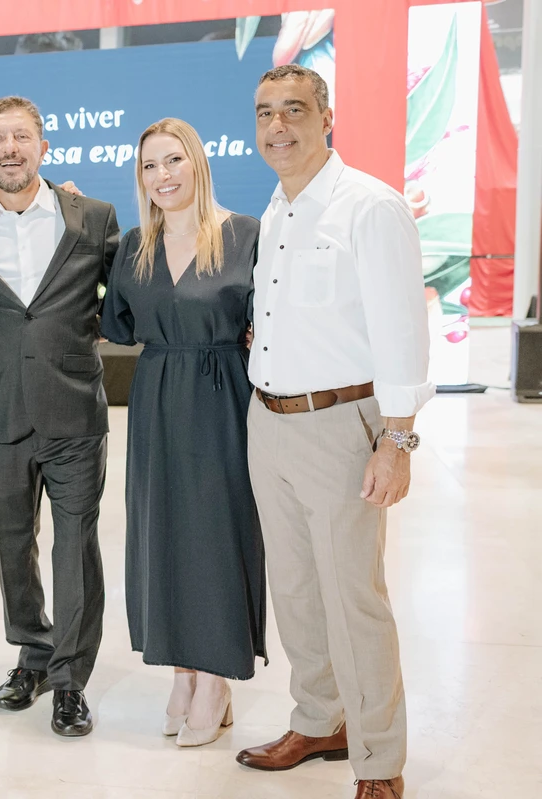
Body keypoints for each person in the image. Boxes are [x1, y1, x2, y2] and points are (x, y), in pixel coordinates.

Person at [234, 65, 432, 799]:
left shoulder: (369, 207)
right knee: (295, 590)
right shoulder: (279, 211)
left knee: (354, 597)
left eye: (293, 110)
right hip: (271, 419)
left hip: (342, 426)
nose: (277, 126)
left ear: (327, 119)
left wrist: (397, 439)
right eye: (264, 114)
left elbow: (401, 332)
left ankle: (379, 760)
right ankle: (319, 718)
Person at [0, 95, 119, 738]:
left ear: (45, 146)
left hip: (74, 410)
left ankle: (70, 680)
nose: (10, 148)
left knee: (76, 546)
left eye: (22, 136)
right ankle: (32, 653)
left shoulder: (93, 218)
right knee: (12, 543)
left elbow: (124, 302)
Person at [100, 118, 265, 747]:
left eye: (173, 161)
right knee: (161, 534)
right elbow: (117, 324)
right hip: (157, 398)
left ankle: (218, 675)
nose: (162, 176)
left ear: (197, 162)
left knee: (218, 534)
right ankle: (183, 668)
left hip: (224, 397)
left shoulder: (244, 234)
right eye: (149, 166)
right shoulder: (133, 250)